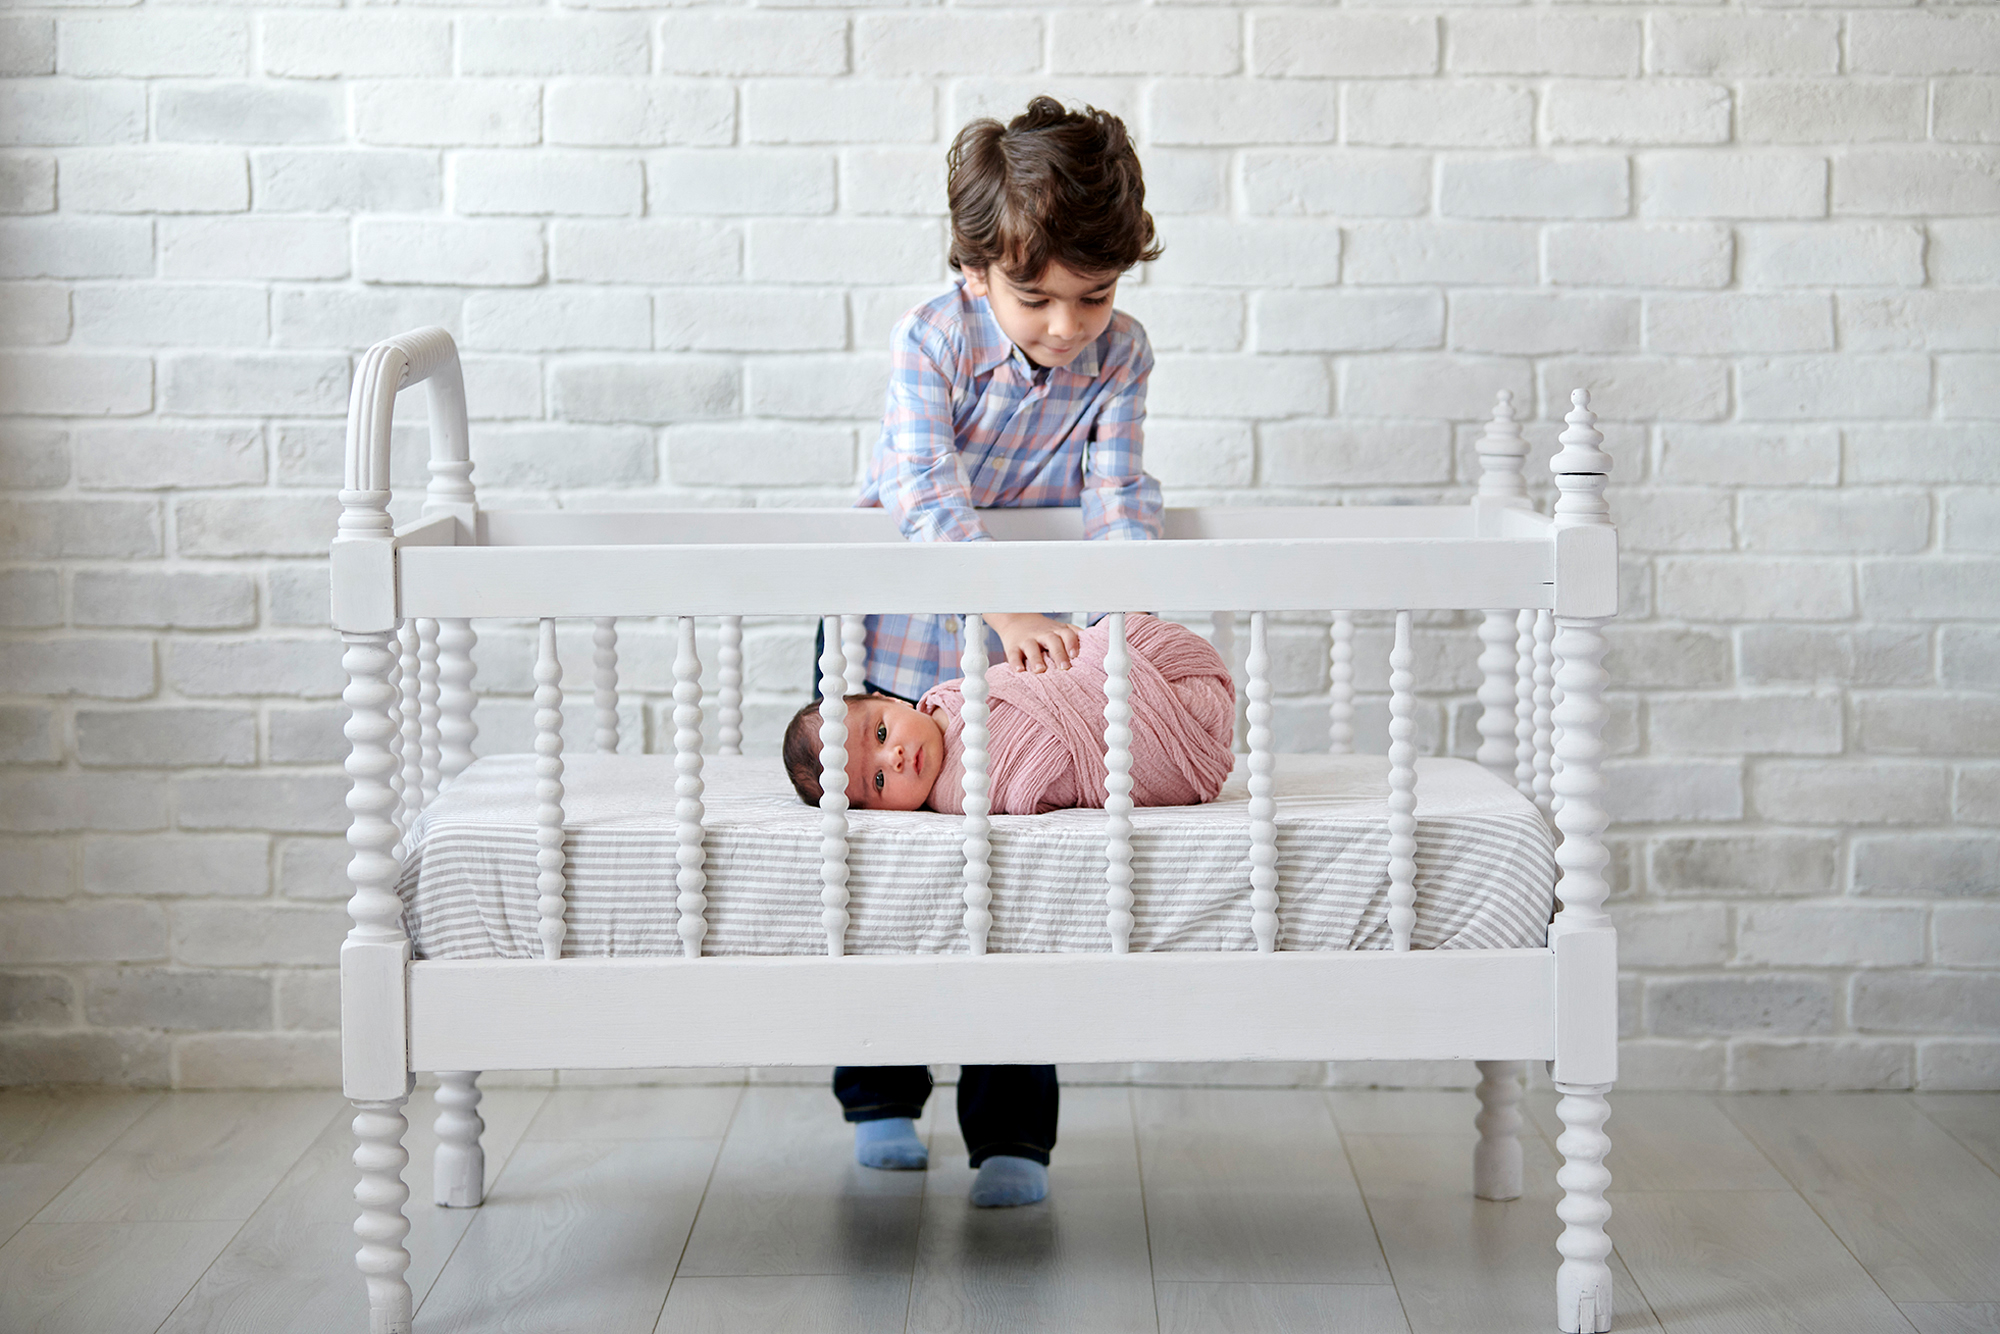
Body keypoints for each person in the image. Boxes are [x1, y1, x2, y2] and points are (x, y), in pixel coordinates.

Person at [826, 95, 1164, 1209]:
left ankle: (1012, 1125)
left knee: (1021, 876)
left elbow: (1115, 496)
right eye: (1036, 296)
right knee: (885, 877)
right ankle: (878, 1095)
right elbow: (924, 489)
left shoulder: (1118, 357)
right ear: (977, 273)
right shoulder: (934, 336)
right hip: (893, 636)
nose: (1066, 325)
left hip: (1021, 659)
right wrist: (1007, 605)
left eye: (1093, 295)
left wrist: (1120, 620)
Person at [784, 614, 1234, 817]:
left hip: (1150, 668)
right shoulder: (963, 795)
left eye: (881, 733)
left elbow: (1043, 678)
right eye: (878, 782)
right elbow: (1037, 787)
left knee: (1110, 644)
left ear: (895, 700)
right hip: (1170, 745)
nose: (895, 758)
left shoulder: (952, 693)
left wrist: (1094, 660)